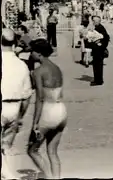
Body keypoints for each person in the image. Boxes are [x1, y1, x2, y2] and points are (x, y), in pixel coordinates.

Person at [27, 39, 67, 179]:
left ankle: (49, 177)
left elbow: (40, 98)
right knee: (52, 151)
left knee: (32, 150)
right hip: (61, 111)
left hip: (48, 112)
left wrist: (35, 123)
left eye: (32, 51)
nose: (30, 53)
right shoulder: (56, 68)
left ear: (39, 53)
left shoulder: (39, 71)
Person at [1, 29, 33, 179]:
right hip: (14, 108)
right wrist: (20, 117)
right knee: (5, 147)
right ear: (14, 44)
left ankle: (7, 174)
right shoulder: (21, 65)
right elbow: (27, 96)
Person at [90, 16, 110, 86]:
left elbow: (106, 38)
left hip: (99, 51)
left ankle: (99, 81)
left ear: (98, 21)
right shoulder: (97, 27)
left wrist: (101, 45)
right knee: (95, 65)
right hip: (96, 50)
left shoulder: (100, 28)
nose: (93, 22)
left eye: (94, 21)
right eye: (93, 21)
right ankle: (96, 79)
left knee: (98, 66)